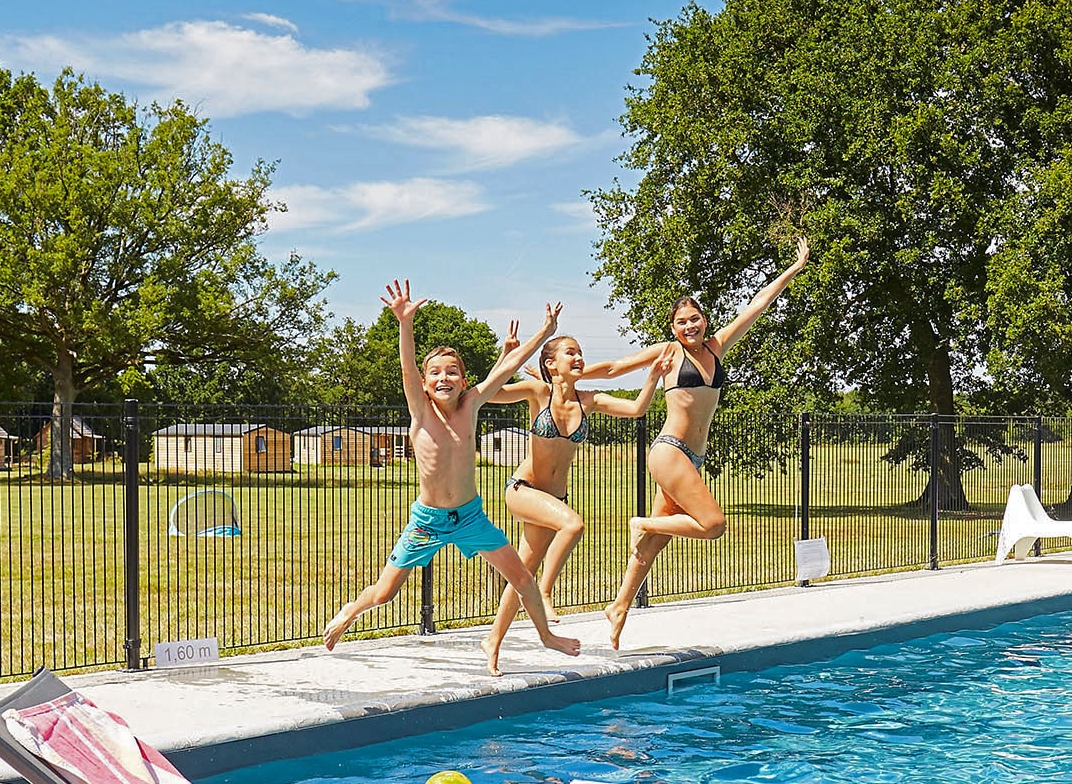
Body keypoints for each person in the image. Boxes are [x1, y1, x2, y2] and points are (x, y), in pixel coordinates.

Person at [321, 283, 582, 659]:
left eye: (452, 372)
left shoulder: (471, 405)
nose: (444, 378)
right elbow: (407, 367)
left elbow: (508, 368)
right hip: (427, 521)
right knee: (385, 592)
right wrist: (405, 324)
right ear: (425, 384)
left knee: (523, 578)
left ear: (464, 380)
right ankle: (350, 612)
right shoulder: (420, 409)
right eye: (435, 373)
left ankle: (546, 636)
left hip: (470, 517)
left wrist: (544, 332)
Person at [605, 238, 814, 648]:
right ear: (673, 328)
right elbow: (614, 367)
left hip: (692, 457)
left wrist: (793, 268)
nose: (690, 326)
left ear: (704, 320)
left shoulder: (717, 348)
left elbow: (757, 305)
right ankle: (640, 522)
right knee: (713, 525)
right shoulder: (668, 353)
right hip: (669, 450)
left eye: (695, 319)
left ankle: (620, 605)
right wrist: (565, 376)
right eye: (682, 322)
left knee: (655, 543)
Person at [481, 326, 665, 675]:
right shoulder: (538, 392)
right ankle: (545, 593)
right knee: (573, 524)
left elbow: (637, 409)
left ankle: (493, 641)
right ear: (551, 364)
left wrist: (653, 376)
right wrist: (506, 354)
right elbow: (490, 393)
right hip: (523, 489)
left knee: (521, 574)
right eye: (571, 352)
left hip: (553, 497)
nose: (579, 357)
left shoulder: (589, 401)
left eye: (580, 352)